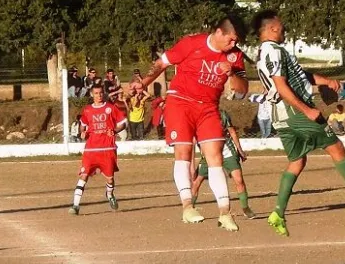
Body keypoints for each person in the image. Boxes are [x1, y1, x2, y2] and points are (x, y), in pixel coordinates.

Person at [252, 10, 345, 237]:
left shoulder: (267, 52)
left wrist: (327, 81)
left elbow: (300, 75)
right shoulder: (274, 51)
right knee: (335, 147)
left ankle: (277, 213)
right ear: (272, 28)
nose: (284, 29)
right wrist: (306, 109)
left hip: (279, 114)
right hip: (295, 110)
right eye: (281, 25)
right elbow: (281, 85)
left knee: (297, 161)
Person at [138, 15, 249, 231]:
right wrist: (142, 82)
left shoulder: (235, 56)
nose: (234, 45)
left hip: (208, 107)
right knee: (184, 153)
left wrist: (232, 74)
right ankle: (188, 206)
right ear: (219, 32)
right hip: (181, 102)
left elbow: (242, 89)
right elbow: (162, 63)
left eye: (236, 42)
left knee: (215, 155)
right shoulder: (191, 43)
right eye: (231, 40)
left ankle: (225, 212)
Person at [69, 85, 127, 215]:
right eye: (96, 93)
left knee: (110, 179)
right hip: (91, 149)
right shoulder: (88, 110)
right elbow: (83, 126)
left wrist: (115, 130)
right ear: (92, 94)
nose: (99, 95)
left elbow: (123, 123)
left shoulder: (110, 108)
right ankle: (75, 205)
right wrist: (82, 132)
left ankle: (109, 194)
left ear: (103, 94)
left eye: (101, 93)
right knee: (84, 175)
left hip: (107, 148)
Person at [191, 109, 256, 220]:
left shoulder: (222, 114)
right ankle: (190, 209)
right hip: (209, 154)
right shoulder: (197, 116)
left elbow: (232, 132)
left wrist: (240, 150)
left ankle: (246, 209)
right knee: (196, 182)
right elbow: (193, 141)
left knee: (239, 180)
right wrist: (192, 165)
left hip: (227, 152)